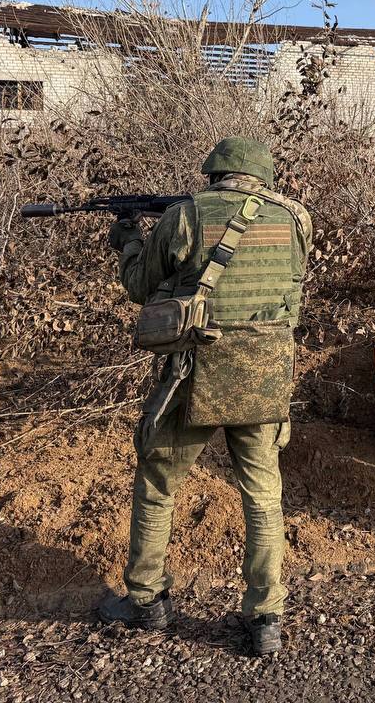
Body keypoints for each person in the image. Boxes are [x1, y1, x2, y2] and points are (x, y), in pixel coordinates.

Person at [99, 137, 312, 655]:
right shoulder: (297, 219)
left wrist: (128, 240)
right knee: (263, 497)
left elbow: (137, 285)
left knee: (157, 482)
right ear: (263, 175)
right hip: (266, 377)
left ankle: (147, 601)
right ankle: (266, 619)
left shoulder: (185, 216)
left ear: (214, 173)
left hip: (195, 371)